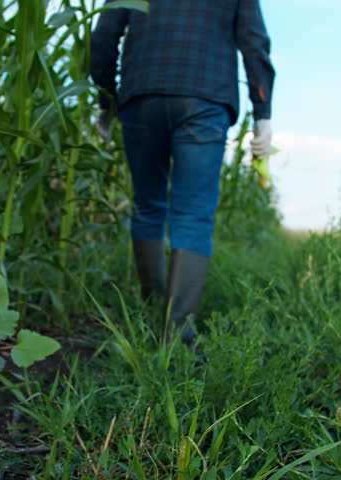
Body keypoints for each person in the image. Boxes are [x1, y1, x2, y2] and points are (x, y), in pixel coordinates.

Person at [90, 0, 275, 343]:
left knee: (147, 205)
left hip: (141, 94)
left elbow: (104, 35)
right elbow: (254, 41)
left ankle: (152, 305)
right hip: (205, 99)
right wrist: (262, 113)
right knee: (193, 214)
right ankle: (177, 338)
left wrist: (106, 100)